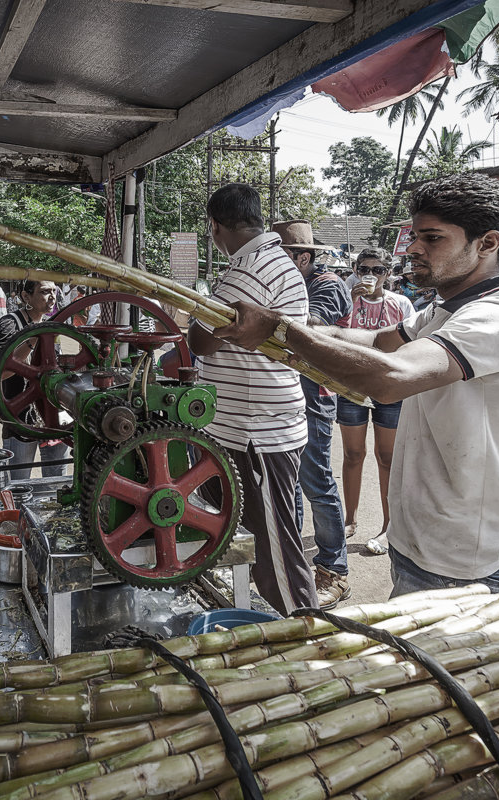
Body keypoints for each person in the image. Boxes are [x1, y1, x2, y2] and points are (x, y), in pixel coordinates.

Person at [214, 173, 499, 596]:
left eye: (432, 238)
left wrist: (283, 331)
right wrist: (288, 324)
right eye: (415, 236)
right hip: (424, 541)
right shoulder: (443, 312)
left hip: (462, 558)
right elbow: (377, 342)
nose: (413, 248)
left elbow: (391, 378)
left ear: (487, 244)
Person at [188, 183, 318, 615]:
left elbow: (203, 342)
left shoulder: (250, 270)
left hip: (255, 432)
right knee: (241, 536)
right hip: (245, 426)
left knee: (274, 552)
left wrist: (196, 309)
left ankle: (306, 632)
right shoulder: (266, 261)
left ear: (215, 226)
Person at [271, 219, 351, 609]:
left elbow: (312, 323)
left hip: (314, 397)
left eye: (280, 255)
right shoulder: (290, 283)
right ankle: (299, 563)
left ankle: (335, 569)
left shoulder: (328, 285)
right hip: (286, 395)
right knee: (290, 482)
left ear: (302, 257)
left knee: (316, 481)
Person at [335, 249, 416, 557]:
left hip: (389, 387)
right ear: (356, 269)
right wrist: (350, 302)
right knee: (353, 454)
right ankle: (350, 519)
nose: (371, 274)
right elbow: (335, 338)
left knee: (387, 457)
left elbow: (412, 344)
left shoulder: (402, 304)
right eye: (364, 268)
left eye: (378, 269)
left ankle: (388, 526)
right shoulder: (346, 298)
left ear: (388, 272)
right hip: (351, 386)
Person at [0, 280, 71, 480]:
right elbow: (1, 373)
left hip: (53, 420)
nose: (52, 296)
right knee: (17, 485)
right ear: (26, 297)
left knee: (56, 485)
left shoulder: (51, 326)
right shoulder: (9, 324)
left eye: (54, 291)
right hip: (20, 422)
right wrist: (33, 339)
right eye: (44, 292)